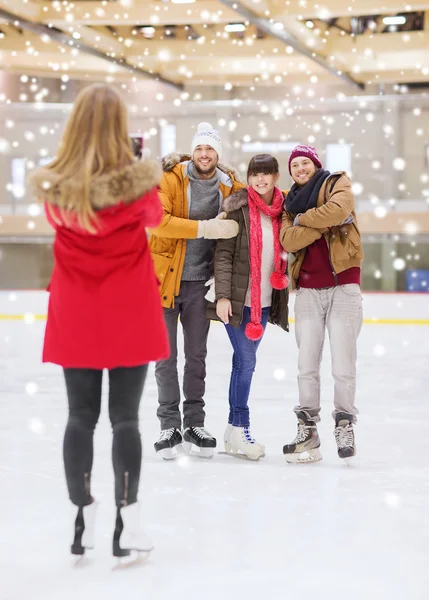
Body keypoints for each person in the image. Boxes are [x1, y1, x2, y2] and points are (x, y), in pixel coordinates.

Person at [29, 84, 169, 557]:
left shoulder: (57, 196)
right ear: (120, 131)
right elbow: (155, 215)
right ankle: (127, 521)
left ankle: (82, 517)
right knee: (125, 420)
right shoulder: (140, 190)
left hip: (77, 309)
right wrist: (134, 170)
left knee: (80, 417)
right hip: (129, 308)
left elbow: (66, 213)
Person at [149, 122, 243, 460]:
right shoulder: (171, 178)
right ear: (194, 151)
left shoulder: (232, 187)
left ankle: (194, 423)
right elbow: (158, 220)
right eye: (200, 148)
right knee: (165, 357)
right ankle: (169, 426)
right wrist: (207, 227)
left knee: (196, 357)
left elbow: (252, 217)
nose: (204, 154)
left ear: (218, 154)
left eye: (211, 149)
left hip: (201, 284)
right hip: (164, 281)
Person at [280, 144, 364, 463]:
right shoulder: (289, 202)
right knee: (306, 365)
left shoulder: (337, 182)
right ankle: (308, 429)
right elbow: (289, 240)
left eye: (305, 163)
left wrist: (306, 221)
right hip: (308, 289)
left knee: (343, 363)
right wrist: (322, 222)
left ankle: (344, 422)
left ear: (315, 164)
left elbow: (339, 210)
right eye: (295, 165)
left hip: (344, 283)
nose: (300, 168)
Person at [206, 154, 289, 460]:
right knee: (247, 361)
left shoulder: (283, 211)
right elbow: (224, 255)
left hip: (265, 303)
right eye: (255, 174)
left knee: (243, 363)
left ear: (276, 176)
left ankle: (231, 429)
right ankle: (242, 428)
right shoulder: (238, 209)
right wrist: (224, 296)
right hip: (240, 302)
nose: (260, 179)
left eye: (266, 174)